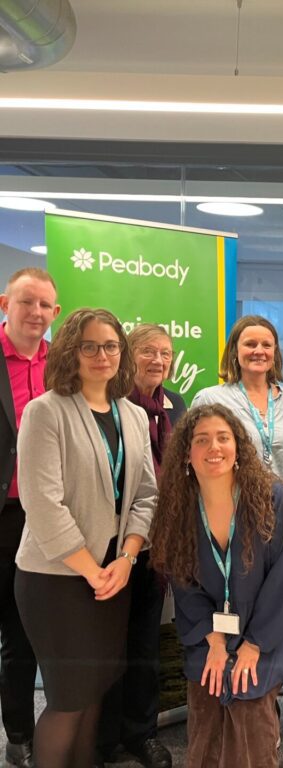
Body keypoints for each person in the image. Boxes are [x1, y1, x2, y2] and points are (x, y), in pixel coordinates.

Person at [15, 308, 157, 768]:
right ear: (71, 350)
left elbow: (146, 497)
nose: (102, 355)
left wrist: (127, 559)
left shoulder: (133, 415)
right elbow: (42, 504)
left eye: (111, 345)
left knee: (95, 692)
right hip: (57, 579)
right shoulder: (45, 411)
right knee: (67, 699)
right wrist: (92, 569)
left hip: (114, 576)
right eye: (90, 345)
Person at [149, 403, 283, 768]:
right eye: (202, 440)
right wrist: (213, 640)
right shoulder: (178, 506)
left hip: (272, 621)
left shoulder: (274, 499)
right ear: (186, 453)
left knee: (247, 694)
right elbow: (184, 583)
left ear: (238, 447)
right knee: (207, 690)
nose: (214, 448)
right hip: (208, 625)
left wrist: (253, 646)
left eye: (223, 438)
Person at [97, 323, 188, 768]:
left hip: (157, 543)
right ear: (129, 355)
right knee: (106, 643)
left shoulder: (177, 405)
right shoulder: (111, 405)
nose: (158, 360)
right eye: (149, 351)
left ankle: (141, 733)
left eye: (166, 353)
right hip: (109, 546)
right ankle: (103, 736)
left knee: (146, 642)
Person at [0, 267, 60, 768]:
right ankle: (18, 731)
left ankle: (23, 731)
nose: (36, 313)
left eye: (44, 305)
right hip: (4, 513)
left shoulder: (62, 362)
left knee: (27, 632)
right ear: (5, 303)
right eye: (27, 302)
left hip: (49, 518)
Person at [192, 315, 283, 487]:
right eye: (250, 344)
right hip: (232, 503)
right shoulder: (210, 399)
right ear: (234, 350)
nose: (259, 351)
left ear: (274, 353)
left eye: (266, 345)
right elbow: (193, 459)